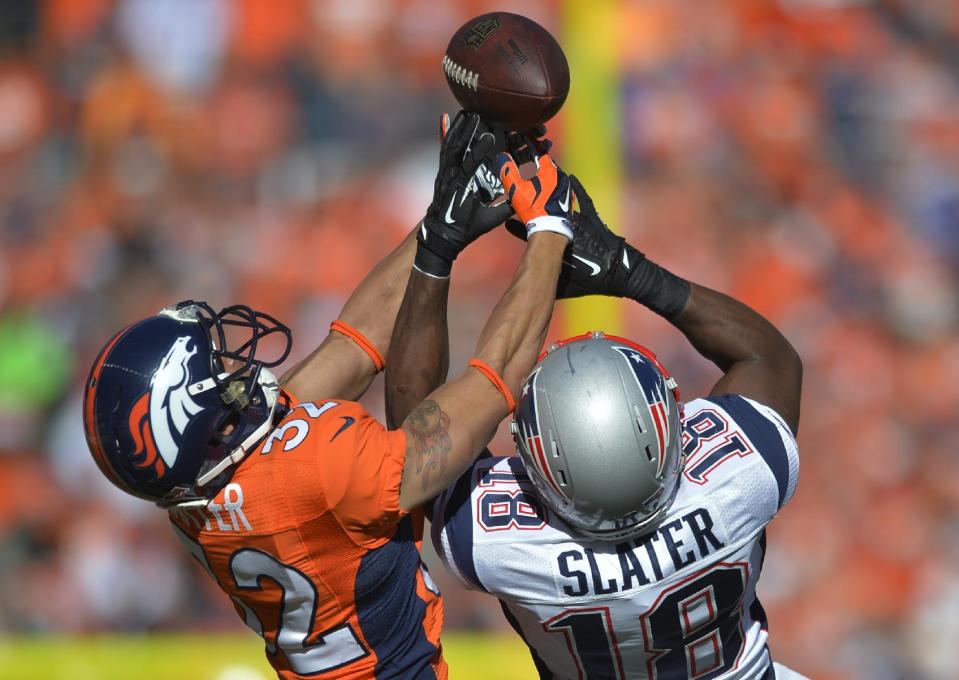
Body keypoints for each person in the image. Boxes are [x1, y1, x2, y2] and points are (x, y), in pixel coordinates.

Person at [81, 111, 577, 679]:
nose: (233, 366)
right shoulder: (318, 470)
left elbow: (355, 345)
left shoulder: (205, 490)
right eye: (216, 370)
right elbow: (496, 379)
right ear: (197, 419)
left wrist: (444, 222)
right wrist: (549, 231)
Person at [385, 170, 807, 679]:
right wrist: (630, 273)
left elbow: (418, 430)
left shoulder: (501, 548)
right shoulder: (739, 481)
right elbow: (770, 358)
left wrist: (438, 247)